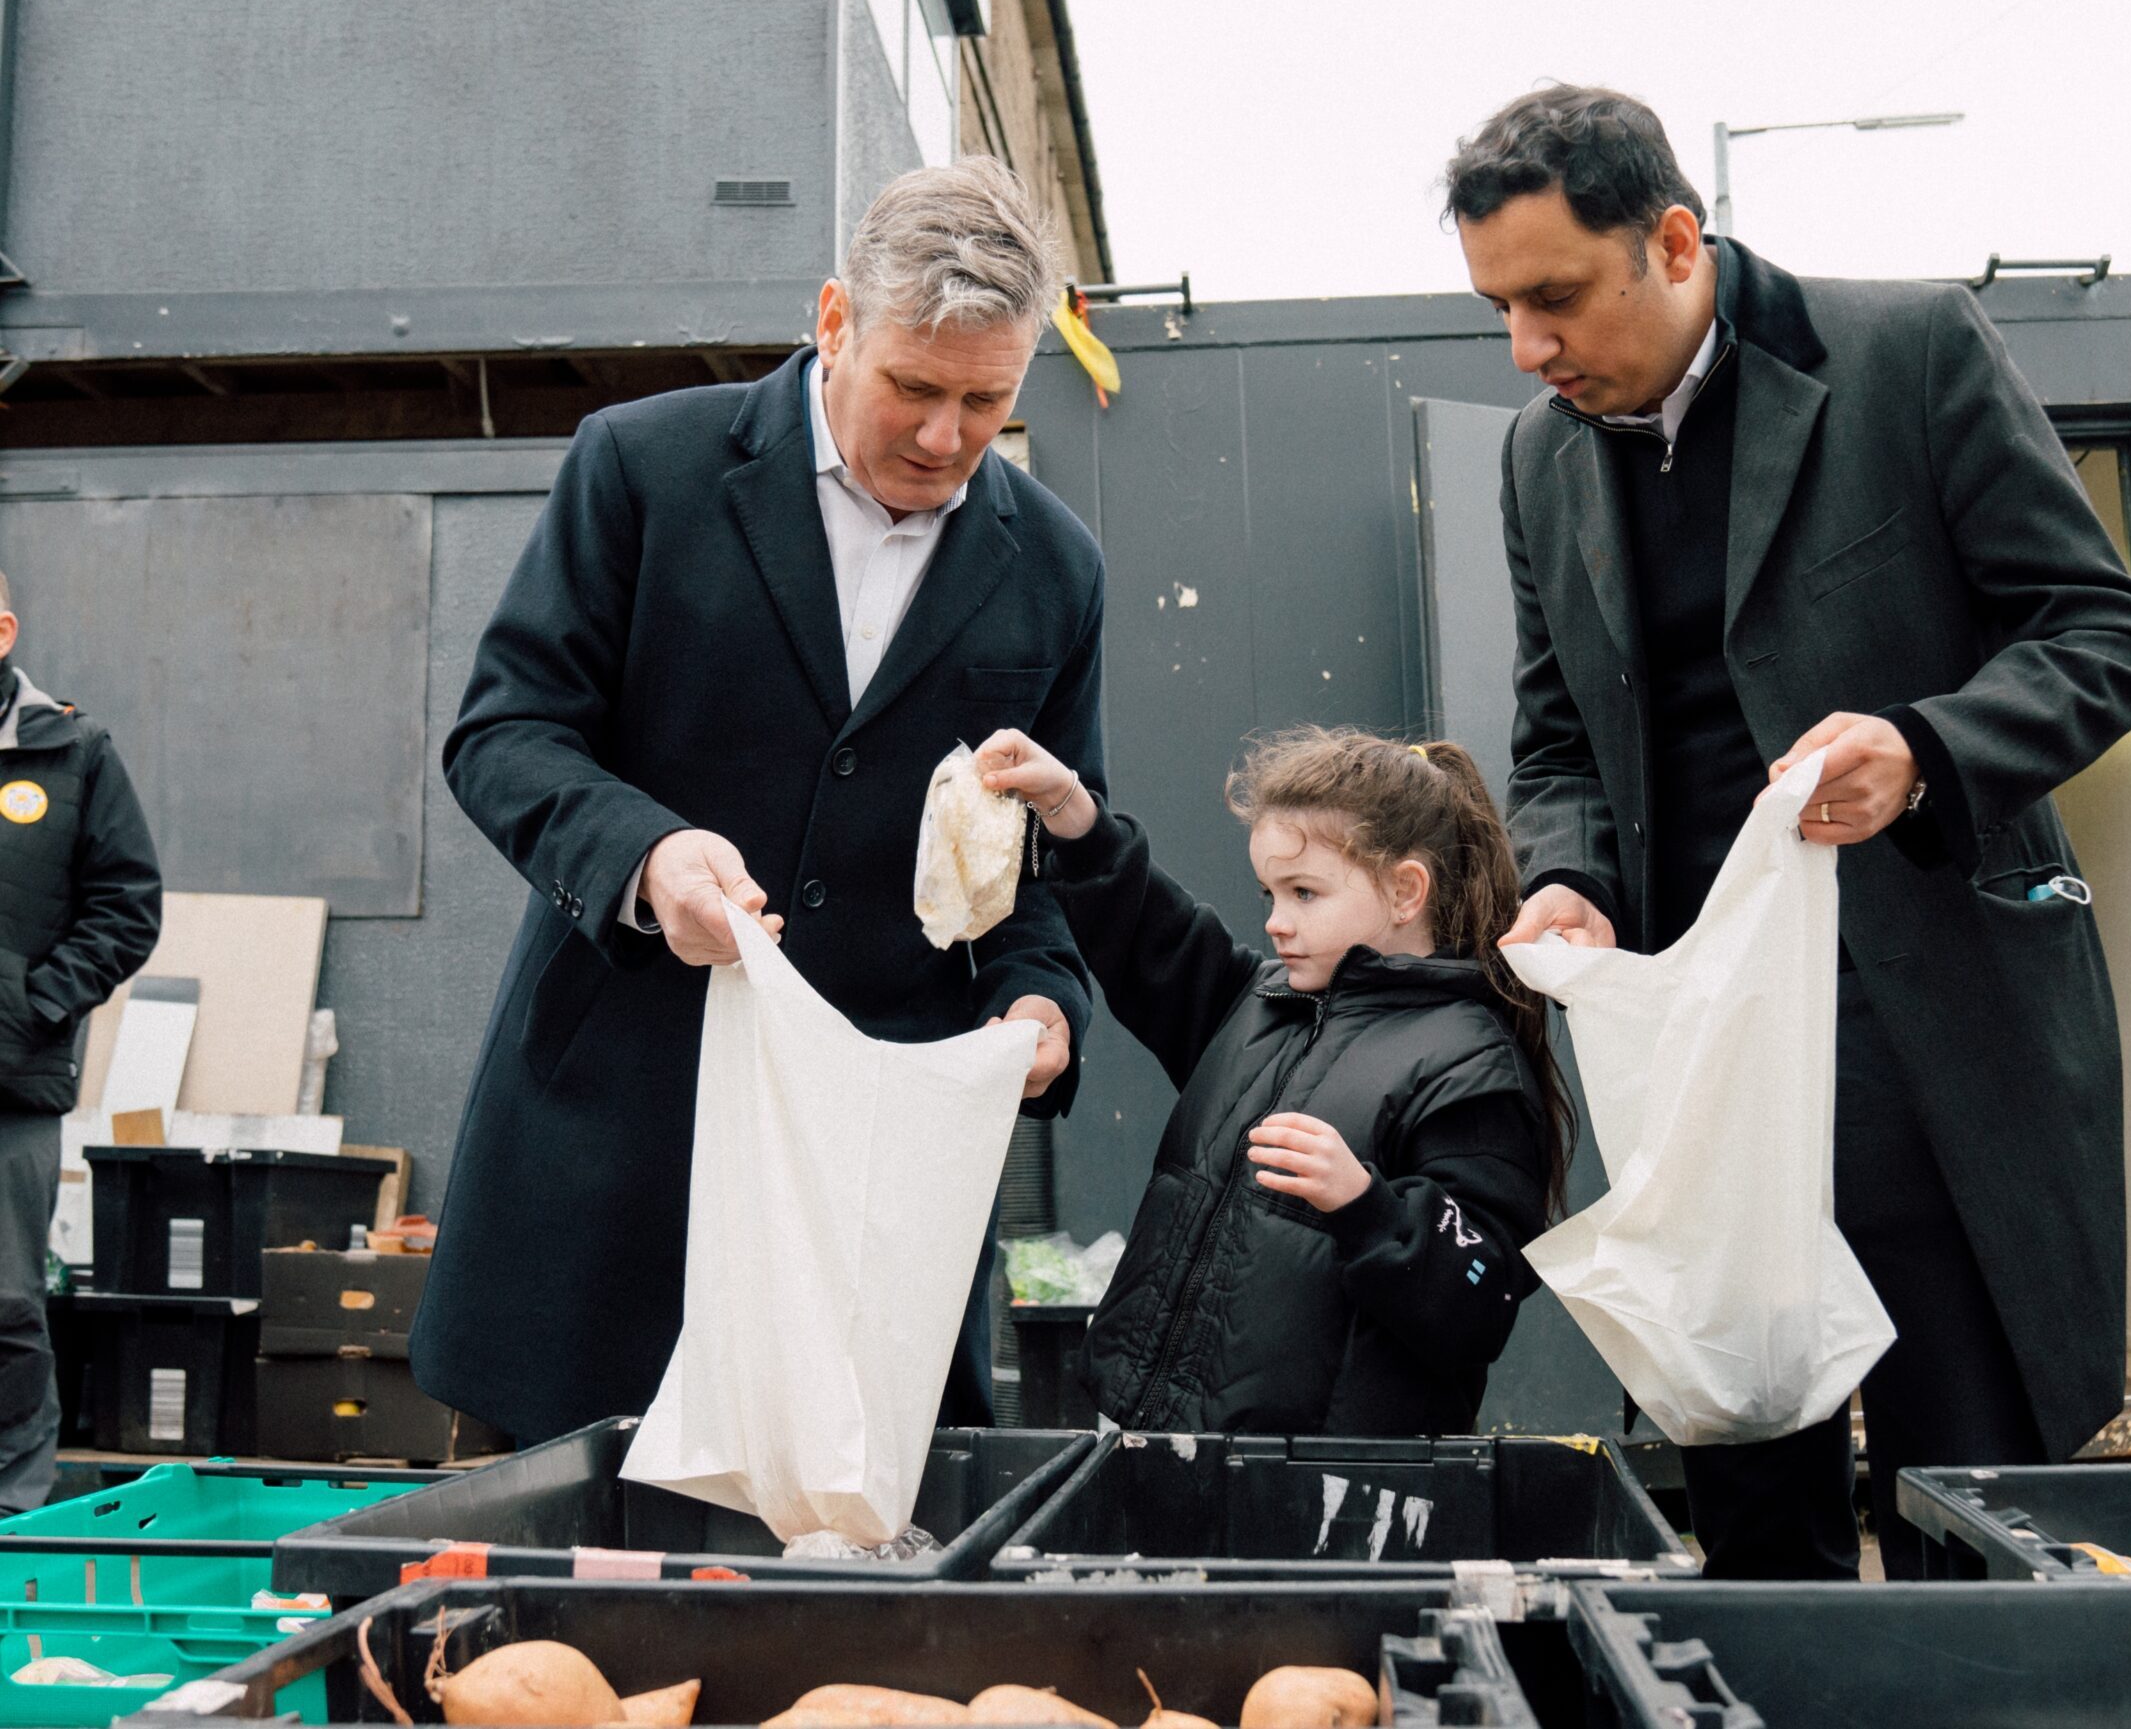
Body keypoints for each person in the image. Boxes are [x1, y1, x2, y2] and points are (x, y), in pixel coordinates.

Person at [1445, 85, 2131, 1578]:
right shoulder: (1535, 459)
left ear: (1671, 239)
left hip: (1935, 1034)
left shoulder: (1911, 353)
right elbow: (1558, 739)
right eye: (1500, 309)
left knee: (1975, 1508)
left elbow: (2106, 632)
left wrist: (1928, 746)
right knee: (1752, 1513)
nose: (1528, 348)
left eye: (1555, 298)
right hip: (1707, 1064)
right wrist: (1573, 877)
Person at [418, 160, 1107, 1447]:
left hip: (866, 1186)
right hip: (611, 1149)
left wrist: (1041, 998)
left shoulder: (1057, 565)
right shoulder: (641, 466)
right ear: (834, 319)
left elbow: (1050, 854)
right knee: (539, 1605)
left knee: (836, 1607)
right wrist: (649, 856)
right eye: (913, 386)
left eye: (986, 398)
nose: (946, 438)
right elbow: (505, 730)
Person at [980, 726, 1569, 1433]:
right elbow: (1151, 931)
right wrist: (1070, 809)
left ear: (1407, 890)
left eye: (1304, 892)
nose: (1276, 921)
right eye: (1269, 892)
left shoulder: (1468, 1063)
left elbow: (1485, 1292)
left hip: (1323, 1498)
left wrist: (1367, 1205)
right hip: (1153, 1446)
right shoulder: (1259, 1001)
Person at [0, 573, 161, 1512]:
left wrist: (32, 1004)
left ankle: (14, 1515)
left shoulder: (72, 751)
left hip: (10, 1089)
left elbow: (127, 907)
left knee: (7, 1309)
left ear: (6, 629)